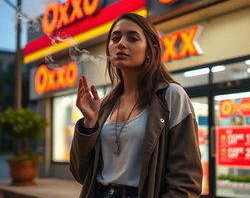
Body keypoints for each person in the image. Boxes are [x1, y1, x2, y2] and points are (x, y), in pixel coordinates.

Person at [70, 13, 203, 198]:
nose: (121, 44)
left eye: (132, 38)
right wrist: (89, 124)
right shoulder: (106, 104)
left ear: (150, 50)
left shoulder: (171, 96)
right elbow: (80, 173)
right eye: (115, 38)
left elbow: (186, 181)